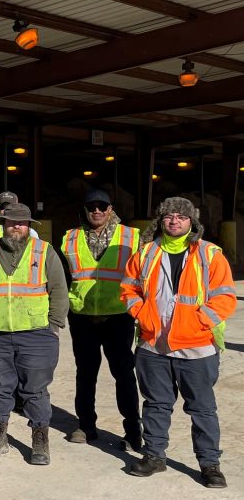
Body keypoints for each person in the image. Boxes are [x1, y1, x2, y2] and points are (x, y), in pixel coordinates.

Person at [121, 197, 235, 488]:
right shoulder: (146, 253)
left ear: (191, 222)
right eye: (169, 216)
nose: (174, 221)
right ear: (161, 220)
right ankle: (155, 456)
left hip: (197, 347)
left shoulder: (209, 254)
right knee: (156, 405)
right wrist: (142, 315)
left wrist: (198, 322)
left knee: (202, 409)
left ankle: (210, 464)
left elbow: (224, 297)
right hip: (153, 346)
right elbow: (129, 289)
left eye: (181, 217)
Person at [0, 202, 68, 465]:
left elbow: (59, 289)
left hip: (36, 334)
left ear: (29, 226)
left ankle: (40, 440)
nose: (17, 227)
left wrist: (54, 325)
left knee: (35, 391)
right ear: (2, 225)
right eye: (11, 222)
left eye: (21, 223)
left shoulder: (44, 251)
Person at [58, 190, 141, 449]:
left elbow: (143, 275)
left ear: (110, 209)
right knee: (86, 374)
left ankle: (132, 431)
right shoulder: (69, 238)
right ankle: (86, 426)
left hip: (118, 316)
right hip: (82, 317)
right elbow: (61, 278)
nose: (97, 211)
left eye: (101, 206)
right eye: (91, 206)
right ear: (85, 209)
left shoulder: (131, 237)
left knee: (124, 374)